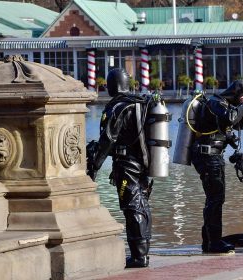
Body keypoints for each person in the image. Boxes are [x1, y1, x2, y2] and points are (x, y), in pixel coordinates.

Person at [86, 68, 154, 268]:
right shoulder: (139, 102)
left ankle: (139, 257)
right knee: (141, 205)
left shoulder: (118, 107)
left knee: (132, 207)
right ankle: (143, 253)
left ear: (112, 85)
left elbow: (108, 139)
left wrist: (94, 166)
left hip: (127, 165)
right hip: (143, 163)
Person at [191, 80, 243, 253]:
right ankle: (214, 242)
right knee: (216, 199)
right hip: (207, 156)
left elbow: (238, 123)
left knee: (214, 199)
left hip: (212, 156)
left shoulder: (225, 105)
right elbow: (231, 117)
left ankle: (209, 241)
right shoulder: (215, 102)